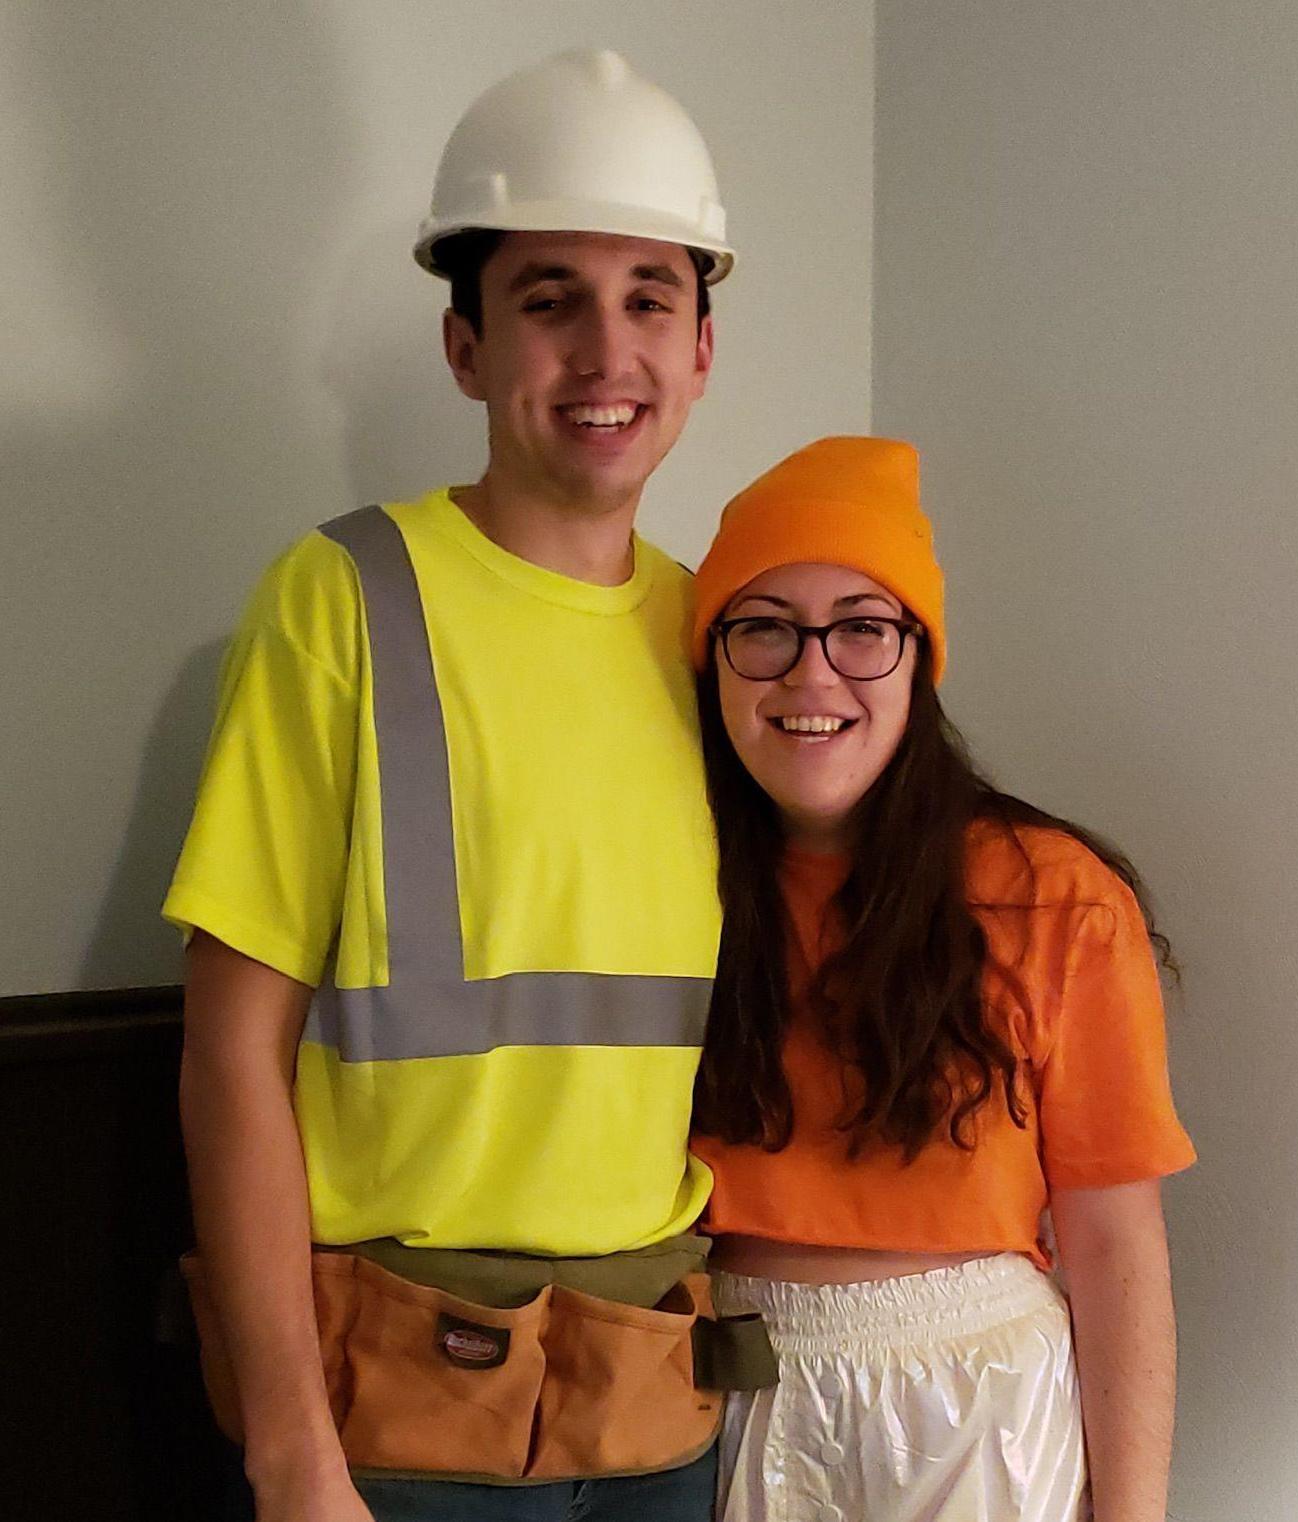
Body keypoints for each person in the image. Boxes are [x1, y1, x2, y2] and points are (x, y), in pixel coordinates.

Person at [165, 49, 738, 1522]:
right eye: (549, 299)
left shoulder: (721, 636)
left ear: (700, 352)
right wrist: (292, 1449)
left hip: (658, 1398)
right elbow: (231, 1053)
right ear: (466, 348)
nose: (607, 352)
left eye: (648, 299)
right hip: (400, 1423)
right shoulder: (345, 595)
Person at [687, 435, 1197, 1522]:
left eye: (863, 629)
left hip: (981, 1406)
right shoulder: (663, 887)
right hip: (719, 1389)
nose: (812, 672)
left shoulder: (1050, 893)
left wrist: (1134, 1510)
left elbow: (1113, 1242)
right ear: (712, 660)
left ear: (918, 657)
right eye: (765, 628)